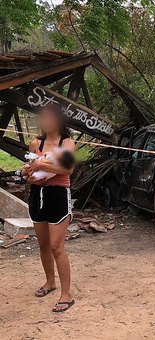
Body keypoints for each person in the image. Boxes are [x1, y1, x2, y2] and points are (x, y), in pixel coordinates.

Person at [27, 103, 76, 312]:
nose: (45, 122)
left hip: (58, 196)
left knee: (57, 246)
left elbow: (68, 168)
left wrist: (41, 165)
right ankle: (50, 282)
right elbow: (29, 171)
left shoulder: (67, 143)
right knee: (43, 245)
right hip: (37, 195)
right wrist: (29, 174)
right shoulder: (35, 143)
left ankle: (67, 294)